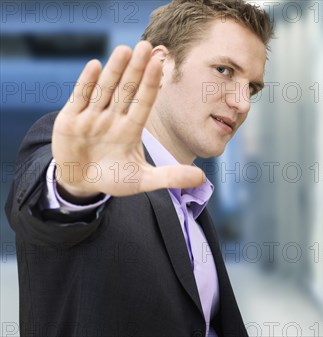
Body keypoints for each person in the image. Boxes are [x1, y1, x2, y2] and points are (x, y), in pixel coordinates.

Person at [4, 0, 274, 336]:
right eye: (223, 71)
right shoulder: (90, 165)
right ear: (160, 65)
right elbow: (42, 211)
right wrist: (75, 189)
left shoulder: (192, 201)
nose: (242, 102)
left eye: (252, 87)